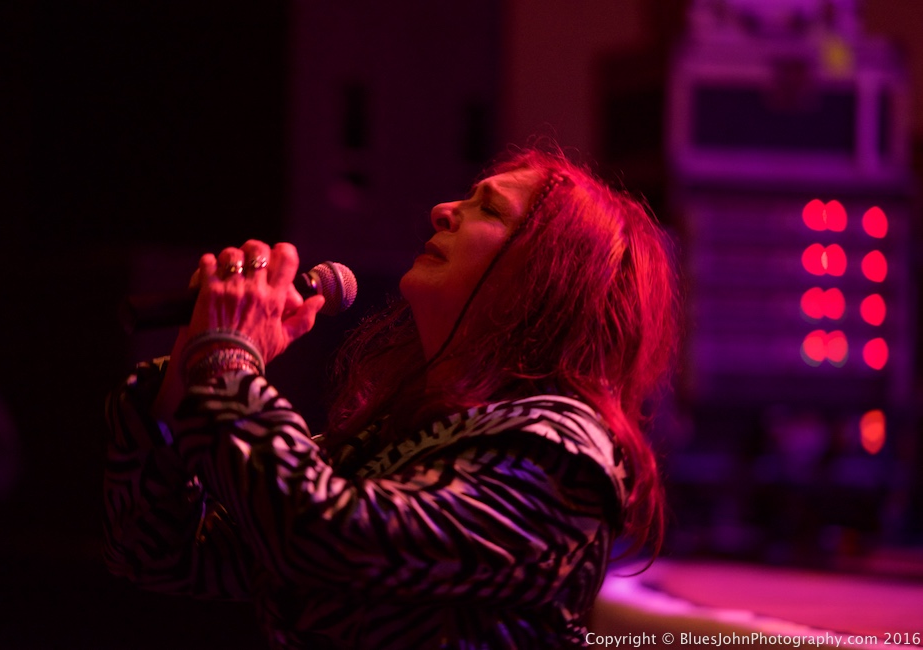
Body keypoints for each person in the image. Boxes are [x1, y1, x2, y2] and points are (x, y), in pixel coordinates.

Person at [103, 147, 680, 648]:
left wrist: (228, 357)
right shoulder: (399, 439)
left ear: (547, 282)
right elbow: (162, 553)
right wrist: (186, 370)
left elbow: (326, 539)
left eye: (489, 209)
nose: (443, 210)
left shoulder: (557, 452)